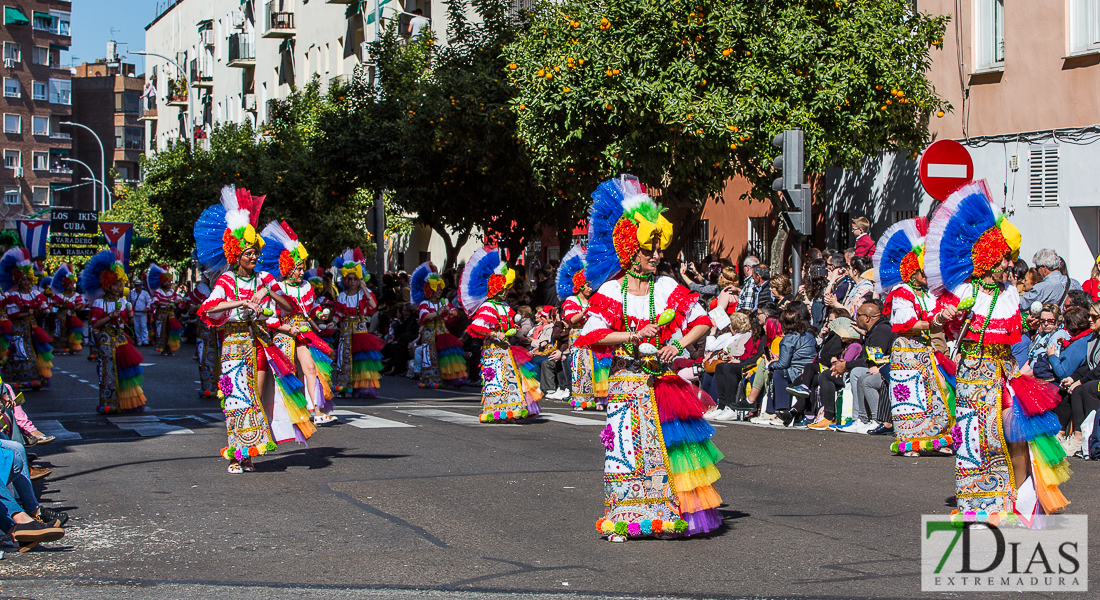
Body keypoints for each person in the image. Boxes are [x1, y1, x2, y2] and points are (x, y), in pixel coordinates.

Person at [576, 176, 720, 542]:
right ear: (630, 250)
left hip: (661, 384)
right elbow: (591, 334)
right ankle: (624, 516)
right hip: (626, 386)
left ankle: (665, 516)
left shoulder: (667, 287)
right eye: (649, 249)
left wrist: (680, 345)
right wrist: (632, 336)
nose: (657, 255)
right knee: (625, 451)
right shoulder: (610, 291)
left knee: (668, 452)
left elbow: (703, 319)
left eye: (659, 248)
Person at [928, 181, 1070, 518]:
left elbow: (1014, 337)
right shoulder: (964, 290)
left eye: (1010, 259)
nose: (1010, 266)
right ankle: (978, 500)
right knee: (974, 437)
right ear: (988, 259)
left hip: (1003, 373)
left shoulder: (1010, 295)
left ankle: (1018, 499)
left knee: (1013, 433)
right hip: (973, 375)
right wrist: (946, 316)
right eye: (1003, 259)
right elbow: (939, 323)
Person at [195, 184, 299, 474]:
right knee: (237, 400)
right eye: (249, 253)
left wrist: (267, 290)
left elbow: (288, 305)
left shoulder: (265, 278)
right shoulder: (226, 282)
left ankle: (250, 452)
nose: (254, 258)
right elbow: (207, 309)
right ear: (236, 253)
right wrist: (237, 303)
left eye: (256, 253)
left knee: (253, 398)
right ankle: (237, 455)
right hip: (233, 348)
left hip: (259, 346)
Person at [872, 217, 954, 454]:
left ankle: (936, 439)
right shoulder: (901, 291)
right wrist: (934, 322)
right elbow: (905, 322)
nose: (928, 274)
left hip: (927, 352)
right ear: (912, 270)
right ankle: (910, 442)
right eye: (923, 270)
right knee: (909, 396)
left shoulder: (929, 292)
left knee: (935, 393)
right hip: (907, 353)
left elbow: (936, 315)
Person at [259, 222, 334, 433]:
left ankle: (317, 411)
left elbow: (312, 308)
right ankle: (293, 413)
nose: (302, 272)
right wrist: (286, 329)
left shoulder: (307, 287)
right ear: (288, 268)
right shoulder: (278, 288)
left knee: (311, 368)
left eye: (302, 268)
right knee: (289, 374)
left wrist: (320, 313)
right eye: (298, 268)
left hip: (304, 332)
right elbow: (270, 318)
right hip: (284, 334)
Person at [461, 247, 543, 423]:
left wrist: (514, 326)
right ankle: (497, 412)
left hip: (505, 350)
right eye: (504, 288)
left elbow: (511, 323)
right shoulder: (488, 306)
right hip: (492, 351)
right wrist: (493, 333)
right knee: (497, 381)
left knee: (510, 380)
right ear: (496, 288)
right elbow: (475, 327)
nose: (506, 292)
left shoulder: (505, 306)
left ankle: (510, 412)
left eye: (507, 289)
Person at [80, 250, 147, 414]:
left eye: (120, 284)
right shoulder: (98, 303)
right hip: (105, 344)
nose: (118, 288)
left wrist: (130, 315)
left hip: (122, 343)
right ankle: (109, 402)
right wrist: (110, 316)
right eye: (115, 284)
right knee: (107, 374)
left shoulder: (124, 302)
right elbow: (95, 325)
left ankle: (125, 403)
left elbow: (129, 325)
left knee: (126, 373)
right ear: (107, 284)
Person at [830, 301, 895, 432]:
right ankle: (860, 419)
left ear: (867, 318)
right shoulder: (875, 330)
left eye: (858, 315)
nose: (855, 318)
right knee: (856, 372)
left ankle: (876, 420)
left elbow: (874, 359)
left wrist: (846, 365)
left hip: (887, 370)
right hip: (879, 368)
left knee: (861, 376)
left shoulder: (881, 330)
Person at [557, 245, 606, 410]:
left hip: (592, 337)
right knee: (580, 369)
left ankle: (597, 398)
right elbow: (570, 319)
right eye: (587, 285)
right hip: (578, 338)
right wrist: (586, 311)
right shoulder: (571, 300)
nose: (590, 288)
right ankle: (580, 400)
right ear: (580, 286)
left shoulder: (593, 300)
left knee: (596, 367)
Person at [331, 249, 385, 399]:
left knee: (361, 360)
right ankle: (344, 386)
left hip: (360, 333)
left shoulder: (363, 293)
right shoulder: (342, 296)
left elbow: (373, 305)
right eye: (350, 279)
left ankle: (360, 387)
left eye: (355, 279)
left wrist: (364, 288)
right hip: (346, 332)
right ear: (345, 281)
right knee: (344, 359)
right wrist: (332, 324)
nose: (352, 282)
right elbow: (338, 315)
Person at [0, 249, 51, 391]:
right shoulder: (14, 295)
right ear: (18, 280)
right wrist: (26, 313)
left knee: (37, 351)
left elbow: (44, 307)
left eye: (28, 279)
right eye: (23, 280)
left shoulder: (36, 293)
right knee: (20, 352)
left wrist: (44, 311)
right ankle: (18, 379)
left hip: (33, 328)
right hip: (18, 329)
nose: (26, 282)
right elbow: (12, 314)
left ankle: (35, 378)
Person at [189, 274, 221, 398]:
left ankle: (223, 387)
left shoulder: (226, 282)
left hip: (222, 329)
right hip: (206, 328)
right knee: (204, 355)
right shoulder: (202, 287)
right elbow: (191, 303)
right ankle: (209, 387)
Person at [147, 265, 182, 356]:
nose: (170, 283)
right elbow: (155, 301)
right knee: (162, 332)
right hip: (162, 316)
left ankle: (170, 349)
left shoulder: (171, 292)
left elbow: (180, 299)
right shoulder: (159, 292)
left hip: (171, 315)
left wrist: (175, 301)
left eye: (170, 282)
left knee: (171, 332)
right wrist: (165, 304)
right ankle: (163, 349)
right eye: (168, 282)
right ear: (164, 282)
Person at [49, 264, 83, 355]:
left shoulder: (76, 295)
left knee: (72, 331)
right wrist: (62, 306)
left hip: (72, 316)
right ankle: (60, 347)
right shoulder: (59, 295)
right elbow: (54, 303)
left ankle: (72, 346)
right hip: (61, 316)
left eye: (73, 284)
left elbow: (80, 304)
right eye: (71, 284)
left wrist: (76, 307)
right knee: (60, 330)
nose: (72, 286)